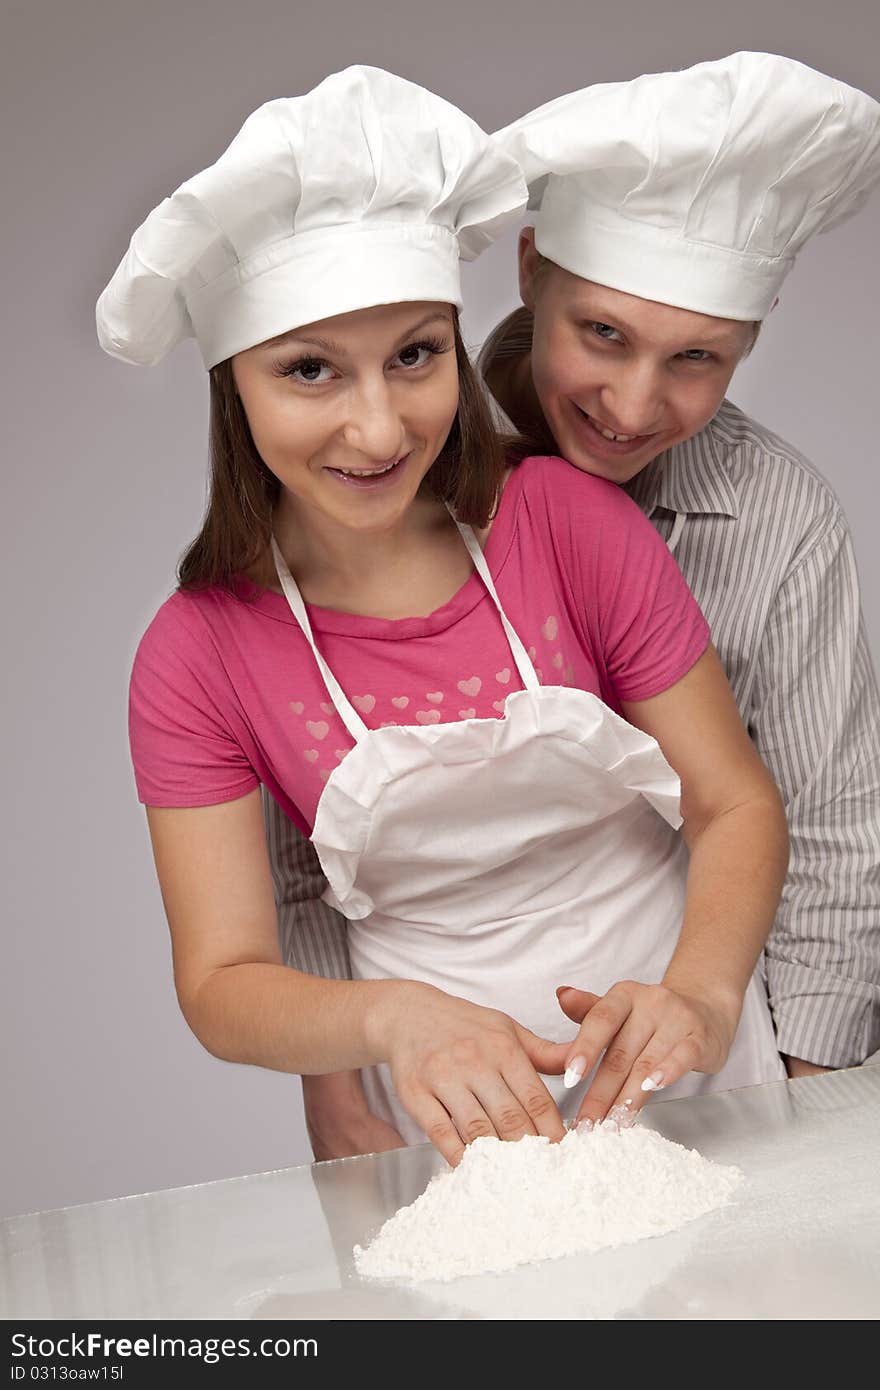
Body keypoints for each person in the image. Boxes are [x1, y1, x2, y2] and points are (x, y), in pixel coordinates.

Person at [101, 64, 789, 1170]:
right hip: (449, 1123)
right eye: (311, 371)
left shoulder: (563, 521)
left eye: (416, 355)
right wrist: (390, 1019)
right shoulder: (197, 654)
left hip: (694, 1066)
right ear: (234, 384)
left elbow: (730, 799)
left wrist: (698, 995)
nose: (377, 430)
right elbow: (221, 986)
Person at [274, 53, 880, 1163]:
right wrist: (337, 1086)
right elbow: (301, 835)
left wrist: (809, 1105)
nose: (634, 402)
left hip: (717, 1050)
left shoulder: (779, 520)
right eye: (601, 334)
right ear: (527, 270)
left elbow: (834, 828)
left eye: (696, 358)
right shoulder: (370, 483)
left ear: (753, 337)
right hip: (454, 1090)